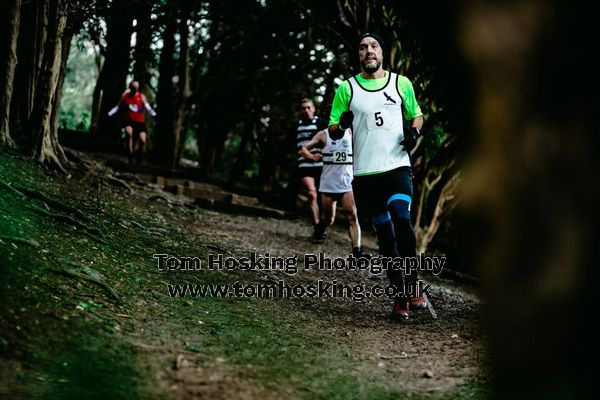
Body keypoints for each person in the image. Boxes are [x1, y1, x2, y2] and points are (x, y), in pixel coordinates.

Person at [328, 33, 426, 319]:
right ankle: (400, 297)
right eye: (362, 48)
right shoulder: (347, 88)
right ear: (358, 55)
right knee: (385, 237)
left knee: (401, 217)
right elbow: (333, 127)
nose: (368, 51)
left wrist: (414, 132)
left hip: (397, 167)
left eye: (373, 46)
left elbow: (416, 115)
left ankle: (412, 283)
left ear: (382, 53)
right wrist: (342, 124)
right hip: (365, 175)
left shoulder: (400, 83)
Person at [299, 127, 368, 257]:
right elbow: (303, 150)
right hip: (328, 184)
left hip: (346, 183)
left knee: (352, 216)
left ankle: (357, 252)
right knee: (329, 219)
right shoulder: (323, 135)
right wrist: (312, 156)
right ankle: (320, 227)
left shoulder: (351, 131)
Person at [294, 98, 329, 241]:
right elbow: (295, 146)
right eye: (303, 108)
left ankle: (322, 225)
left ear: (314, 108)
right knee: (311, 194)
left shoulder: (321, 123)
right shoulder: (297, 125)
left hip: (321, 164)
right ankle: (316, 225)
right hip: (304, 164)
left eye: (308, 107)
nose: (306, 110)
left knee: (324, 196)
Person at [107, 81, 156, 164]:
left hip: (139, 121)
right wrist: (110, 113)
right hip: (128, 121)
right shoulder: (125, 96)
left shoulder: (141, 96)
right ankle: (130, 155)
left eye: (136, 88)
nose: (135, 89)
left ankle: (139, 157)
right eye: (133, 87)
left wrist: (153, 114)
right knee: (129, 133)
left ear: (138, 88)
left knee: (142, 139)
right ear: (130, 87)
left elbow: (147, 106)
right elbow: (118, 106)